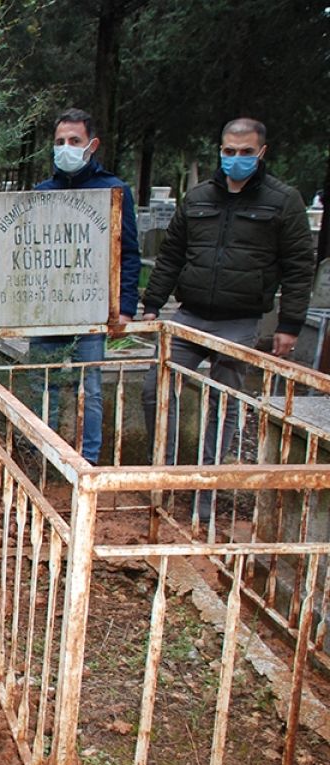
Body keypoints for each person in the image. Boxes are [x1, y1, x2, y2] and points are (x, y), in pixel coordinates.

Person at [140, 118, 314, 509]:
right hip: (190, 315)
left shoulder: (282, 201)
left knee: (224, 403)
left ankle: (206, 492)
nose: (236, 159)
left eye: (246, 152)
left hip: (239, 320)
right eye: (229, 151)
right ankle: (163, 476)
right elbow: (171, 254)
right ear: (220, 150)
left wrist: (289, 325)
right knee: (155, 389)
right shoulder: (199, 197)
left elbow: (300, 266)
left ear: (261, 153)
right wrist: (153, 304)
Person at [29, 108, 142, 464]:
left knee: (90, 389)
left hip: (90, 311)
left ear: (91, 145)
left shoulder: (113, 191)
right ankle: (39, 454)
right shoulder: (41, 193)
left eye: (74, 141)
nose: (66, 148)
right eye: (60, 142)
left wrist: (124, 307)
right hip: (47, 313)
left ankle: (88, 461)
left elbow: (129, 253)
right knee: (40, 384)